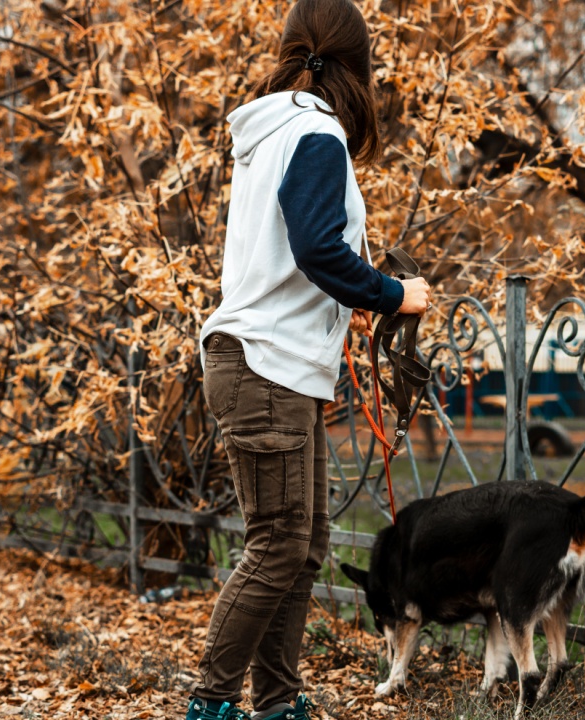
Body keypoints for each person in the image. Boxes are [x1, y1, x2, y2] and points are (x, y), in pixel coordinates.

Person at [188, 1, 431, 719]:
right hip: (265, 365)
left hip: (272, 367)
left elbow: (307, 249)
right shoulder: (315, 134)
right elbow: (318, 248)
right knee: (277, 544)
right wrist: (393, 295)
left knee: (303, 542)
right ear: (357, 67)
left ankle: (278, 704)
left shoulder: (273, 131)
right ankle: (210, 705)